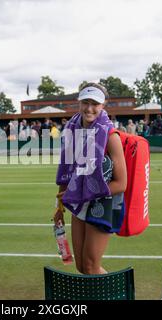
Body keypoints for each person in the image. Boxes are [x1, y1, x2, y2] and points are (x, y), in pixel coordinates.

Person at [54, 83, 127, 275]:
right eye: (85, 102)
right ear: (78, 103)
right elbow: (65, 174)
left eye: (95, 103)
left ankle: (118, 295)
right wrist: (58, 207)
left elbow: (122, 183)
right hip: (79, 200)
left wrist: (85, 193)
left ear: (103, 106)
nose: (89, 108)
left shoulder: (111, 136)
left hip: (103, 202)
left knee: (91, 266)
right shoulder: (71, 131)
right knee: (81, 266)